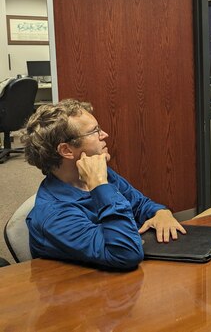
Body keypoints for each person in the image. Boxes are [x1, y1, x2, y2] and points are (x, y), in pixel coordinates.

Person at [23, 99, 186, 269]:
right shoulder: (53, 214)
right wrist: (100, 186)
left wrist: (161, 213)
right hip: (84, 288)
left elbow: (140, 205)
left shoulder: (100, 173)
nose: (104, 134)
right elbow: (125, 253)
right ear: (66, 150)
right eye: (95, 131)